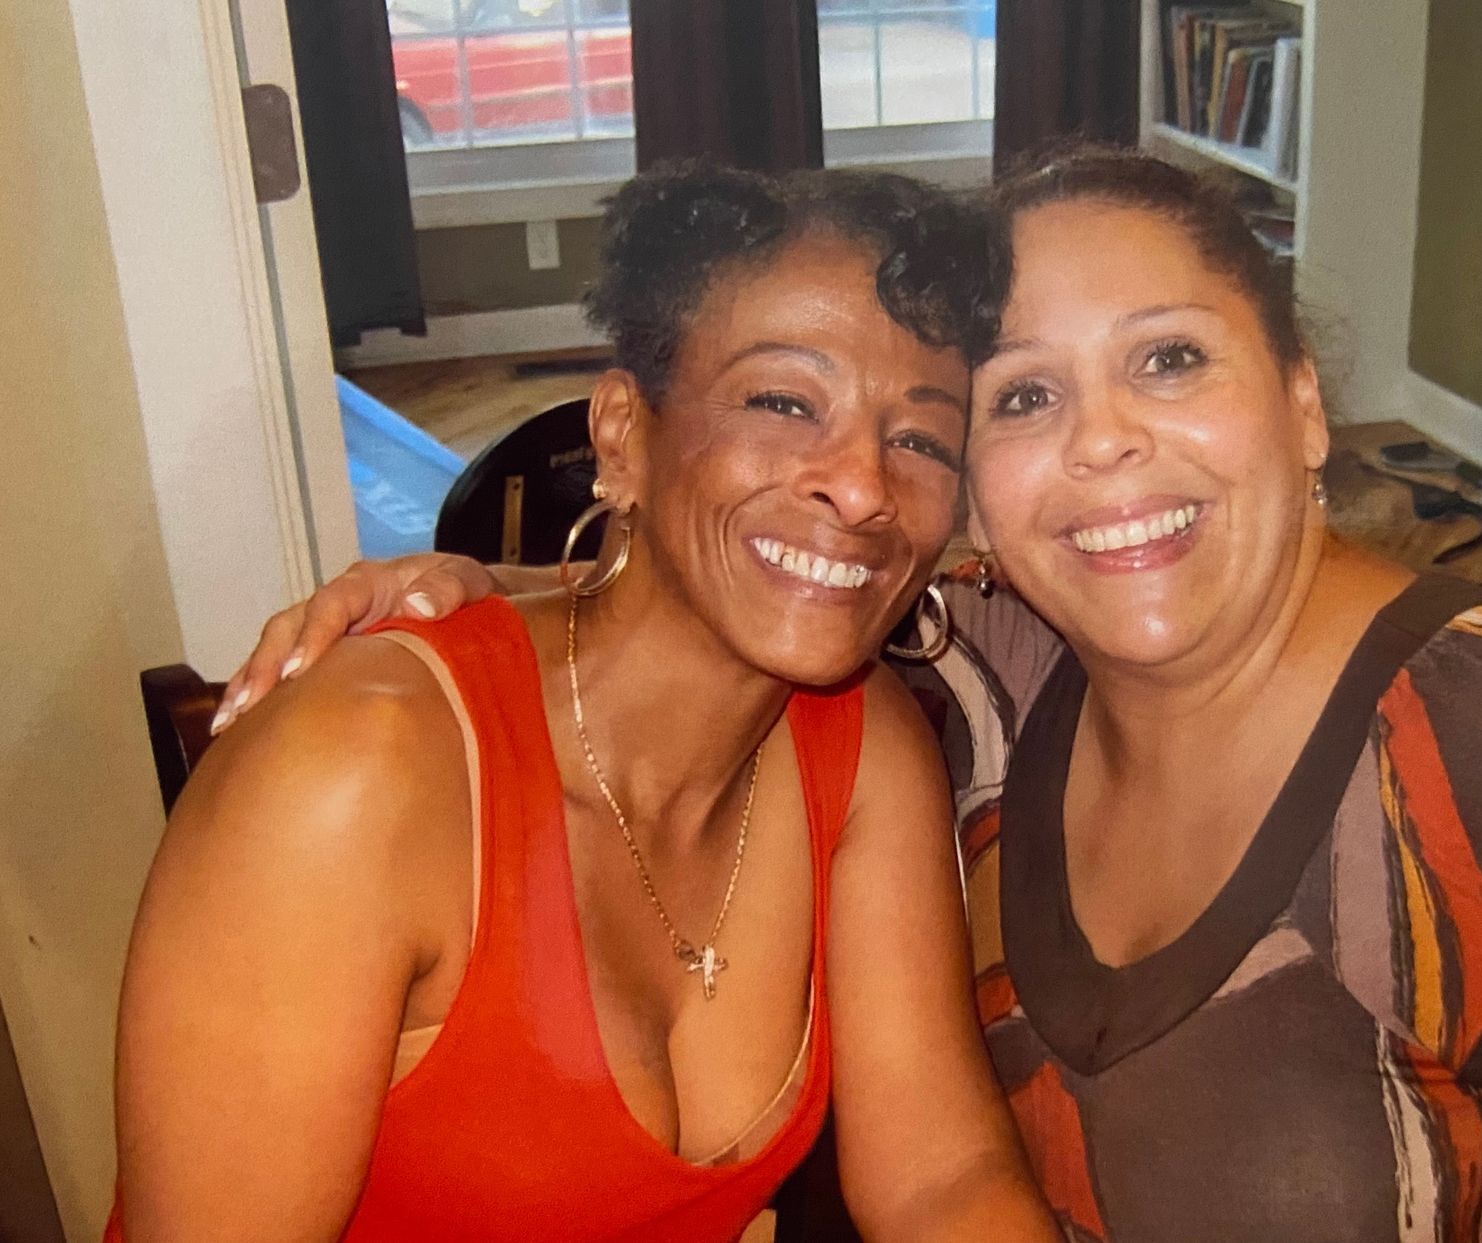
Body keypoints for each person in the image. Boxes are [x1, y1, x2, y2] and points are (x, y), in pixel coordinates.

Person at [219, 148, 1482, 1242]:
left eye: (1170, 358)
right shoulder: (987, 665)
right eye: (1020, 397)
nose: (1103, 443)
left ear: (1304, 402)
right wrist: (491, 593)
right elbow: (759, 569)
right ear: (982, 505)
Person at [112, 163, 1059, 1242]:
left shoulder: (863, 743)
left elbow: (943, 1178)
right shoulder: (354, 774)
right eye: (784, 402)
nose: (861, 486)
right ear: (623, 438)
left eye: (921, 440)